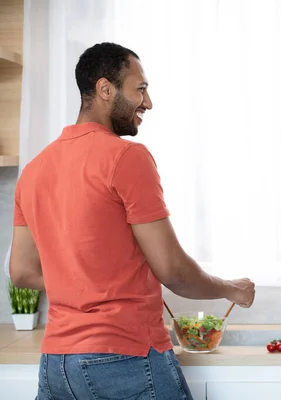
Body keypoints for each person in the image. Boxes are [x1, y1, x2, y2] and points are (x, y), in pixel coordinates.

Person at [9, 42, 256, 400]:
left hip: (57, 365)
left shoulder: (33, 171)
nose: (148, 103)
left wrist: (86, 281)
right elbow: (172, 271)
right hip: (124, 358)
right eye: (140, 89)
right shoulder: (126, 157)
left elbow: (21, 271)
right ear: (105, 89)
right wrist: (230, 289)